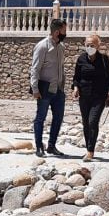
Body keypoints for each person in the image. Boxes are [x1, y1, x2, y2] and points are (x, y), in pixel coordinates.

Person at [71, 34, 109, 162]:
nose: (89, 47)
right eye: (87, 45)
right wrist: (75, 88)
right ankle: (88, 150)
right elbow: (76, 77)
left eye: (92, 45)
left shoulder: (103, 59)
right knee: (86, 123)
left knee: (93, 121)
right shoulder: (81, 59)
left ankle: (91, 151)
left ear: (98, 46)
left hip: (99, 96)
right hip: (84, 95)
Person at [31, 18, 68, 157]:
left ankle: (51, 146)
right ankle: (39, 146)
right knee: (40, 118)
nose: (66, 33)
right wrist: (35, 89)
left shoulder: (61, 47)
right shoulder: (42, 46)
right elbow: (35, 69)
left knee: (58, 118)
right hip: (45, 90)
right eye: (64, 30)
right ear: (57, 31)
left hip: (58, 90)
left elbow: (61, 67)